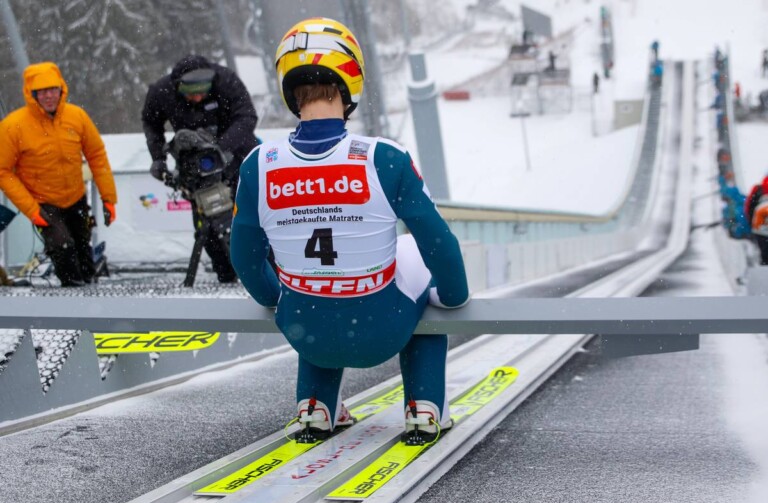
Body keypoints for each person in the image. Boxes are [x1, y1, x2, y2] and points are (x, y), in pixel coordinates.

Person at [230, 18, 470, 444]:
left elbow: (244, 255)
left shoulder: (258, 164)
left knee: (315, 284)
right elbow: (439, 243)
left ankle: (316, 407)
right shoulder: (385, 157)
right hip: (383, 329)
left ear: (288, 84)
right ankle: (424, 407)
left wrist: (275, 297)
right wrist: (453, 297)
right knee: (414, 253)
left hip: (306, 332)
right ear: (351, 79)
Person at [141, 55, 258, 283]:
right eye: (191, 93)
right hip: (195, 166)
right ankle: (225, 274)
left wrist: (223, 148)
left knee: (246, 219)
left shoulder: (226, 81)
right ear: (178, 88)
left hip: (235, 156)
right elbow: (150, 122)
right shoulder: (161, 91)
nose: (197, 97)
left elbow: (246, 117)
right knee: (207, 227)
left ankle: (257, 272)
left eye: (202, 92)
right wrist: (158, 158)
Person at [0, 62, 117, 287]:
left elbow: (97, 155)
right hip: (43, 203)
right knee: (62, 246)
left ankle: (92, 299)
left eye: (53, 90)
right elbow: (3, 172)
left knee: (83, 252)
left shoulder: (77, 116)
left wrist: (108, 198)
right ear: (32, 94)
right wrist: (32, 210)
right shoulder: (13, 126)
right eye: (42, 92)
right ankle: (72, 298)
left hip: (76, 198)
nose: (49, 96)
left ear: (61, 90)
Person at [745, 176, 768, 264]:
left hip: (759, 226)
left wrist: (751, 222)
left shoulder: (758, 189)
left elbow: (749, 206)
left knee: (764, 253)